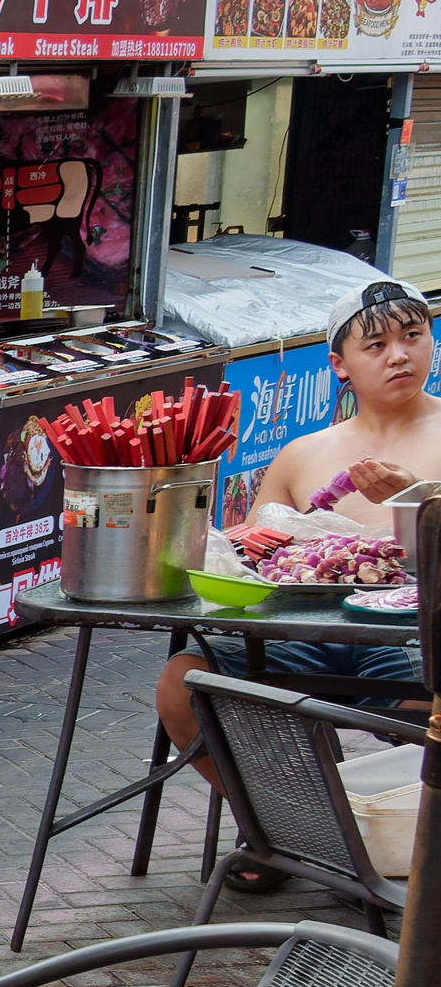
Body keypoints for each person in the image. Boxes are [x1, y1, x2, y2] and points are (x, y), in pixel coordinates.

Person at [155, 277, 436, 885]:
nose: (399, 355)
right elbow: (255, 560)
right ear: (339, 365)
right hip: (299, 633)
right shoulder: (303, 453)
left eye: (414, 336)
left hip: (412, 639)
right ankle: (281, 830)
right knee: (184, 685)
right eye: (377, 344)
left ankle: (413, 848)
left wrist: (424, 504)